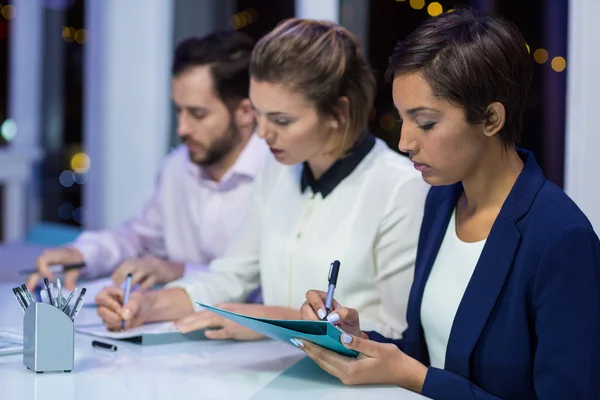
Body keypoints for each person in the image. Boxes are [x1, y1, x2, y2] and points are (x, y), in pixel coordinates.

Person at [296, 8, 600, 400]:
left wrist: (416, 379)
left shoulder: (560, 239)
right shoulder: (442, 201)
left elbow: (429, 376)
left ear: (491, 119)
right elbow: (435, 356)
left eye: (425, 123)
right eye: (401, 119)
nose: (405, 142)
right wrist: (358, 340)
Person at [94, 19, 429, 340]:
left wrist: (270, 320)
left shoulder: (400, 188)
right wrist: (146, 305)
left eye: (281, 120)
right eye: (258, 114)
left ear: (338, 113)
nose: (263, 133)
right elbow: (230, 276)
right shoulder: (277, 171)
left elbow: (396, 335)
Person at [26, 31, 268, 292]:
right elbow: (139, 240)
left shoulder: (278, 173)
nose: (182, 128)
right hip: (174, 325)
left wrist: (178, 271)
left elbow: (273, 287)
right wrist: (82, 254)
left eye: (198, 114)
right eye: (179, 111)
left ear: (245, 112)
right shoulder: (178, 166)